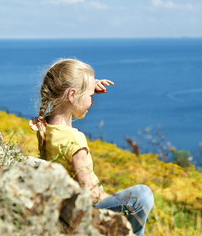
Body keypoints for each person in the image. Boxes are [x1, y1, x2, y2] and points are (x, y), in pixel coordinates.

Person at [29, 58, 154, 236]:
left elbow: (68, 97)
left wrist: (87, 85)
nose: (93, 102)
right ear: (71, 95)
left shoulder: (46, 124)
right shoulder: (75, 140)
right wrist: (112, 200)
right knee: (142, 194)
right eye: (90, 96)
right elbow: (88, 192)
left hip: (65, 209)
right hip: (84, 212)